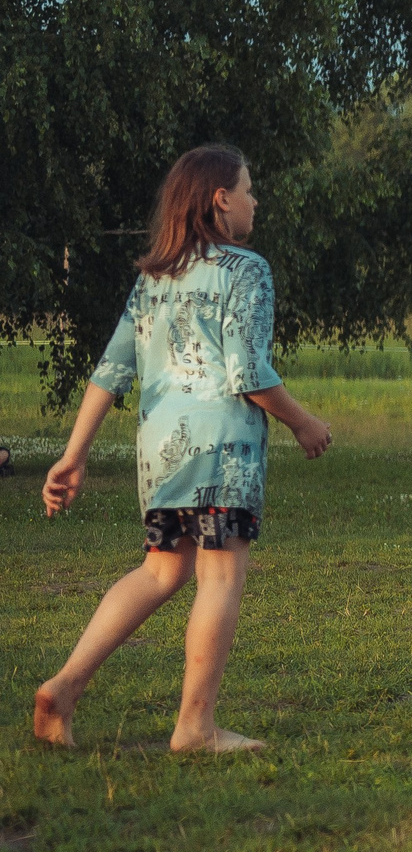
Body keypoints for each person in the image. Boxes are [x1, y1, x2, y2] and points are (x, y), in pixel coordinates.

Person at [35, 145, 334, 754]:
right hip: (222, 452)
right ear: (221, 200)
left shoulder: (154, 276)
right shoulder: (245, 269)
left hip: (161, 453)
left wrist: (75, 453)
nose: (255, 201)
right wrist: (304, 422)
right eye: (248, 189)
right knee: (220, 576)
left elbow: (111, 371)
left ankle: (62, 691)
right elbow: (247, 371)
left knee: (161, 571)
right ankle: (196, 726)